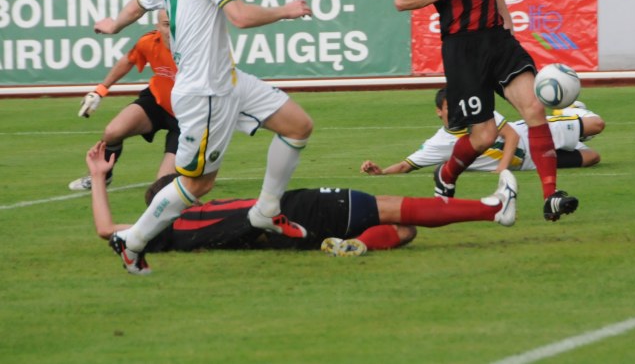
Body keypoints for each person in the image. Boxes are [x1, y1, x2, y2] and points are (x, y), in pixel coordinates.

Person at [93, 0, 313, 275]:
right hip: (205, 92)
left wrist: (114, 23)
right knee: (197, 185)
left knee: (298, 127)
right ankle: (134, 241)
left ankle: (266, 210)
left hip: (227, 80)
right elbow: (240, 17)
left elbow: (139, 3)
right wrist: (286, 11)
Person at [395, 0, 578, 222]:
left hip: (499, 41)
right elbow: (402, 0)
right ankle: (446, 175)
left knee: (535, 108)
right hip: (463, 49)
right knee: (483, 136)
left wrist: (507, 20)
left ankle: (551, 195)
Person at [85, 141, 517, 262]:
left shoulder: (160, 236)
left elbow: (108, 230)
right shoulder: (182, 217)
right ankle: (494, 209)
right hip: (293, 210)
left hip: (285, 236)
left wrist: (97, 180)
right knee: (393, 206)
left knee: (405, 232)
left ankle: (360, 245)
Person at [361, 89, 605, 178]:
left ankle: (568, 110)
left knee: (597, 125)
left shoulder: (479, 113)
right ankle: (573, 131)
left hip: (531, 134)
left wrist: (502, 168)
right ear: (438, 112)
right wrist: (381, 172)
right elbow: (406, 165)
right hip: (529, 163)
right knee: (592, 158)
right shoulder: (438, 143)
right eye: (449, 108)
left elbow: (512, 136)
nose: (457, 111)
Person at [70, 10, 179, 191]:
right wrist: (99, 91)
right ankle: (102, 176)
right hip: (157, 101)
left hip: (188, 115)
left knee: (163, 185)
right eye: (166, 25)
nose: (170, 30)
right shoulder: (149, 42)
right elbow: (128, 60)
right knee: (112, 132)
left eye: (175, 25)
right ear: (157, 26)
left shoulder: (196, 48)